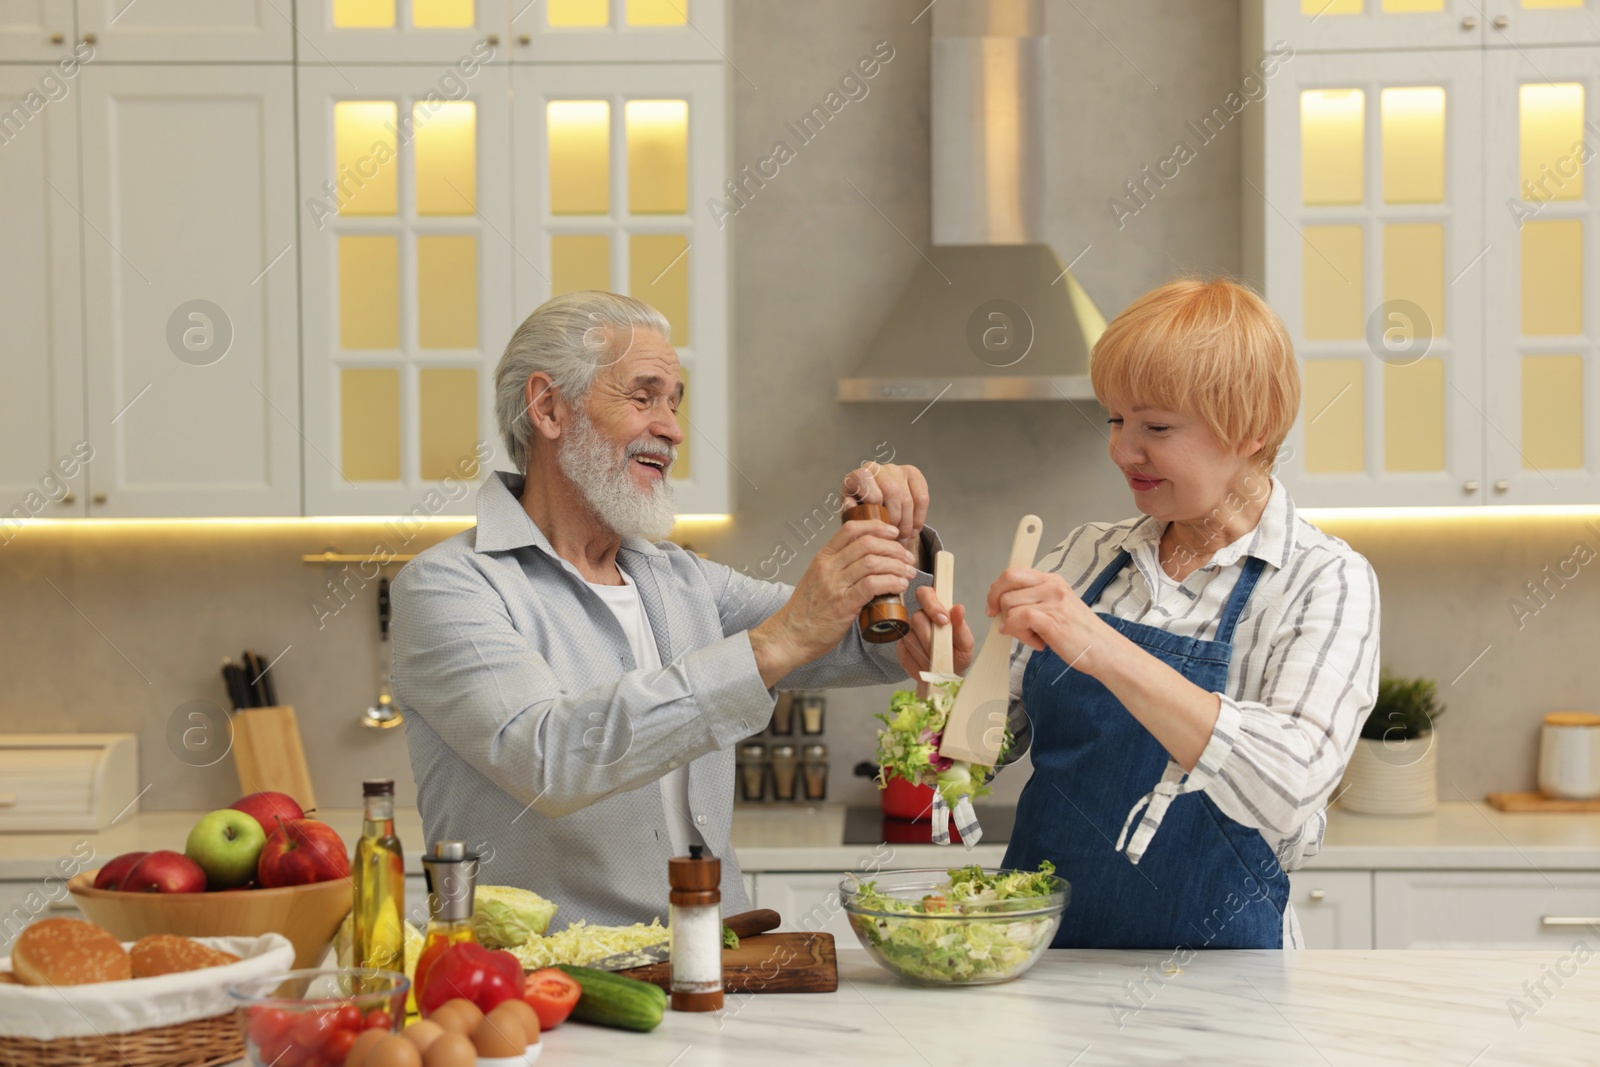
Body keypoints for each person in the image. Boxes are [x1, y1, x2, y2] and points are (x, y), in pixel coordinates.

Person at [391, 291, 973, 927]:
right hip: (554, 991)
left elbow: (864, 644)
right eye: (643, 397)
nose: (670, 428)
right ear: (549, 407)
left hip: (720, 959)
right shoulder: (449, 587)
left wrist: (897, 551)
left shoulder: (679, 577)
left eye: (674, 401)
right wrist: (774, 642)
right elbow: (548, 761)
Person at [989, 278, 1380, 949]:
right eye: (1116, 420)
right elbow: (977, 749)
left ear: (1252, 429)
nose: (1120, 449)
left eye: (1156, 427)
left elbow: (1288, 787)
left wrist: (1100, 646)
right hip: (1038, 964)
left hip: (1225, 986)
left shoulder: (1325, 581)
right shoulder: (1084, 554)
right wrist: (943, 675)